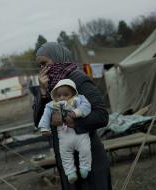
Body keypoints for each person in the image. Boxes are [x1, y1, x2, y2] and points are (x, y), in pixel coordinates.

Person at [33, 42, 112, 190]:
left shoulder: (78, 79)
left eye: (45, 63)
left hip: (90, 162)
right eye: (39, 66)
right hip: (68, 166)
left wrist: (70, 121)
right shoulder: (49, 85)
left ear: (57, 58)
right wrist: (43, 93)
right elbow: (38, 122)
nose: (42, 69)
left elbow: (101, 115)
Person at [38, 79, 92, 184]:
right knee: (65, 155)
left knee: (85, 150)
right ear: (55, 96)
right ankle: (70, 172)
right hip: (64, 136)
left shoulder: (78, 99)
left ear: (73, 93)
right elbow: (45, 116)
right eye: (59, 95)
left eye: (66, 94)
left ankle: (85, 168)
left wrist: (76, 112)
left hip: (80, 135)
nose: (62, 97)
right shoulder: (52, 105)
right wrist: (44, 128)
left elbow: (87, 107)